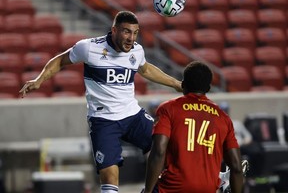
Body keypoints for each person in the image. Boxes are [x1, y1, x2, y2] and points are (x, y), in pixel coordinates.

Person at [19, 11, 182, 193]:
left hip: (133, 115)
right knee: (110, 177)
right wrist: (39, 80)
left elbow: (146, 70)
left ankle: (152, 190)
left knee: (166, 148)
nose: (131, 38)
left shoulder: (137, 50)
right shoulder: (89, 48)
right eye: (126, 32)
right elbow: (60, 61)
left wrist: (176, 83)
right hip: (103, 121)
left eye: (135, 33)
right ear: (114, 30)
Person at [143, 61, 244, 193]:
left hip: (172, 188)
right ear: (208, 89)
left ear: (183, 84)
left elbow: (159, 152)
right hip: (207, 189)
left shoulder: (168, 109)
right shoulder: (224, 118)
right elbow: (236, 167)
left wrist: (148, 191)